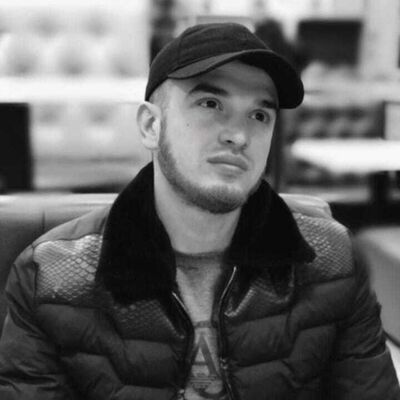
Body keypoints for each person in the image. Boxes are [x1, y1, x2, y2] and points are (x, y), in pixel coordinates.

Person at [0, 22, 399, 400]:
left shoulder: (333, 261)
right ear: (150, 126)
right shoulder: (50, 278)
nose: (239, 135)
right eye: (210, 103)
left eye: (259, 115)